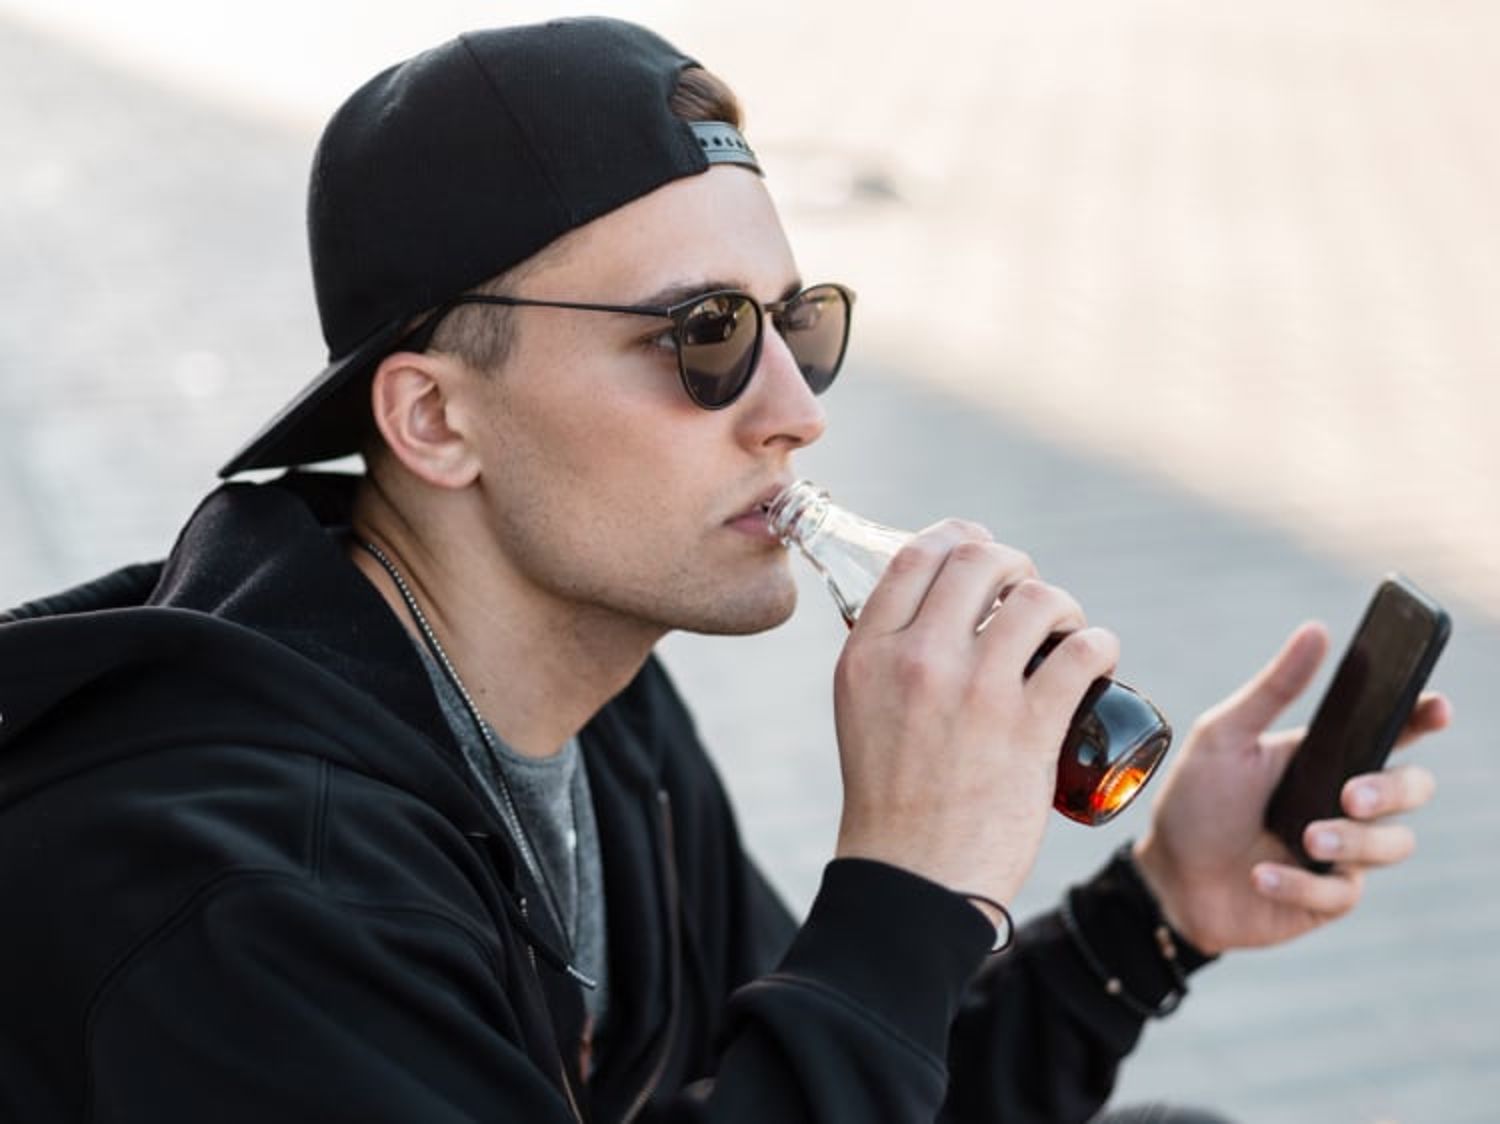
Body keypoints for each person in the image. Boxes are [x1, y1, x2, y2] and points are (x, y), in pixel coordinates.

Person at [0, 17, 1447, 1123]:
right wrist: (910, 886)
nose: (796, 408)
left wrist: (1155, 910)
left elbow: (816, 1078)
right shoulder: (251, 896)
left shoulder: (590, 700)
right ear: (436, 420)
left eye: (794, 322)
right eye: (701, 337)